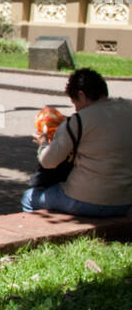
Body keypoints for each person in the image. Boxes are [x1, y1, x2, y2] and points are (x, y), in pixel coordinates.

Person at [21, 68, 132, 217]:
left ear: (81, 95)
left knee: (29, 197)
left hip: (85, 199)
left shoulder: (78, 121)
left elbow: (48, 162)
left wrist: (43, 144)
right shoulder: (127, 109)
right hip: (124, 201)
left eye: (75, 103)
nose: (76, 108)